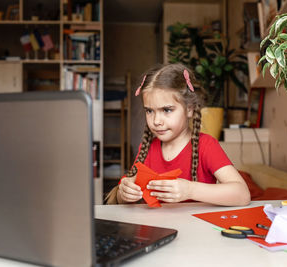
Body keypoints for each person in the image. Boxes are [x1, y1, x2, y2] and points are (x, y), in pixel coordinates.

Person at [106, 63, 250, 206]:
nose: (156, 121)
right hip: (158, 228)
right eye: (149, 111)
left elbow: (242, 194)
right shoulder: (147, 148)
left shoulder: (206, 146)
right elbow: (121, 198)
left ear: (189, 109)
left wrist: (190, 190)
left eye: (167, 110)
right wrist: (123, 193)